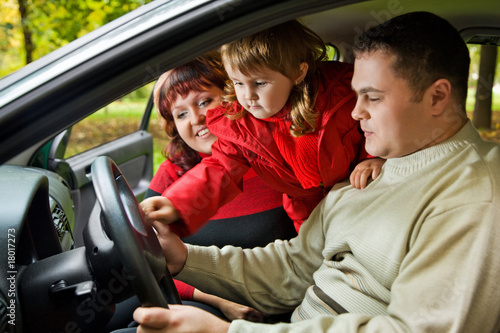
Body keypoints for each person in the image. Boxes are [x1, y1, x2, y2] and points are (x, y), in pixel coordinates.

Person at [130, 11, 500, 332]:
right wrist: (184, 258)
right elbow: (292, 267)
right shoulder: (360, 179)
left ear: (437, 97)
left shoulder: (474, 194)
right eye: (355, 95)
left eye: (373, 97)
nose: (356, 113)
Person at [141, 20, 384, 236]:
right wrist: (177, 204)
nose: (248, 97)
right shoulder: (240, 123)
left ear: (298, 73)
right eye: (238, 83)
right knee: (319, 255)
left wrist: (374, 157)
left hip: (356, 189)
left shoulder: (338, 94)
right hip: (304, 210)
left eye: (260, 83)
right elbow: (220, 169)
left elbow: (374, 122)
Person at [142, 52, 294, 322]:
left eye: (204, 101)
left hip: (277, 308)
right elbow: (147, 262)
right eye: (181, 114)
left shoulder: (279, 161)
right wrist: (216, 299)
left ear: (232, 98)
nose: (196, 119)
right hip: (194, 306)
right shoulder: (171, 174)